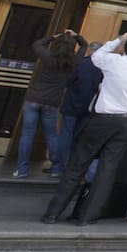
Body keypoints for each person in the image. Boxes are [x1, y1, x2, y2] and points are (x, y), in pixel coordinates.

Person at [41, 32, 127, 226]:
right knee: (107, 170)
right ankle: (86, 217)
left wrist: (118, 39)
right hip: (125, 123)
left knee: (77, 164)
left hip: (101, 118)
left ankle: (52, 213)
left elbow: (96, 56)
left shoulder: (113, 61)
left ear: (125, 47)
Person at [14, 30, 85, 178]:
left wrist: (53, 37)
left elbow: (37, 44)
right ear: (72, 47)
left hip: (34, 98)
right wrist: (76, 36)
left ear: (57, 44)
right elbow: (85, 46)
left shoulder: (48, 57)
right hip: (52, 102)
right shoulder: (73, 62)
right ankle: (56, 167)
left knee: (27, 134)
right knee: (51, 135)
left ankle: (22, 169)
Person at [58, 40, 103, 186]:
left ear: (90, 50)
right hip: (89, 108)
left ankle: (62, 166)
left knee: (66, 135)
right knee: (79, 138)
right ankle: (75, 167)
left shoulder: (81, 63)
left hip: (72, 104)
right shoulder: (103, 67)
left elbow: (68, 81)